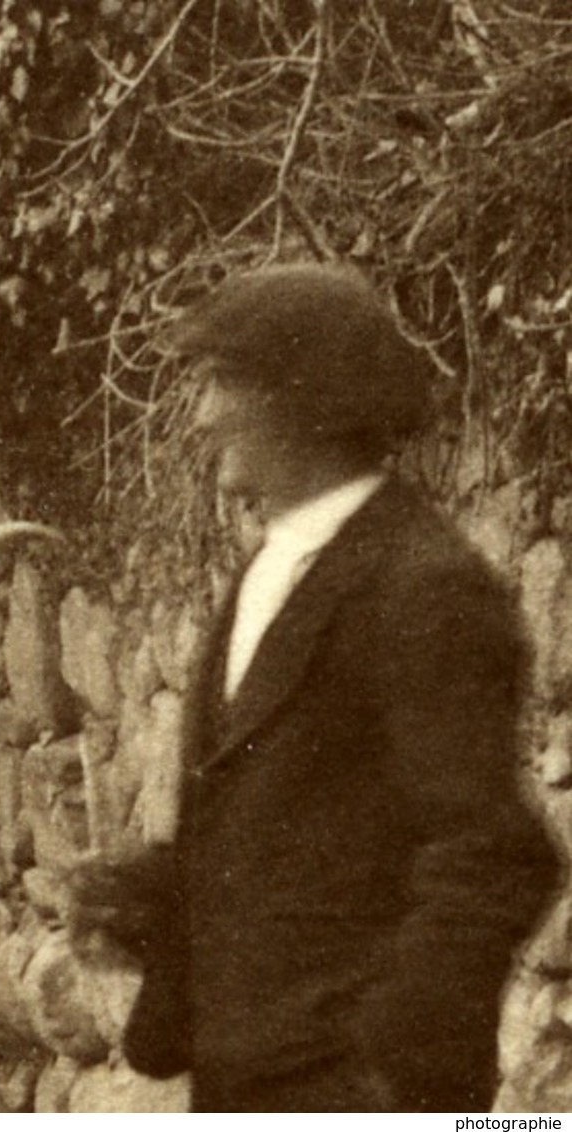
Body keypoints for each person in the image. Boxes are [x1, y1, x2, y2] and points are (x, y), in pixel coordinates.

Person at [71, 262, 561, 1112]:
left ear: (301, 395)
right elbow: (301, 829)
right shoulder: (271, 569)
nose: (197, 417)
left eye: (219, 385)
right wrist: (152, 891)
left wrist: (391, 1069)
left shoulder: (424, 585)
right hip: (245, 1082)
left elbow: (490, 855)